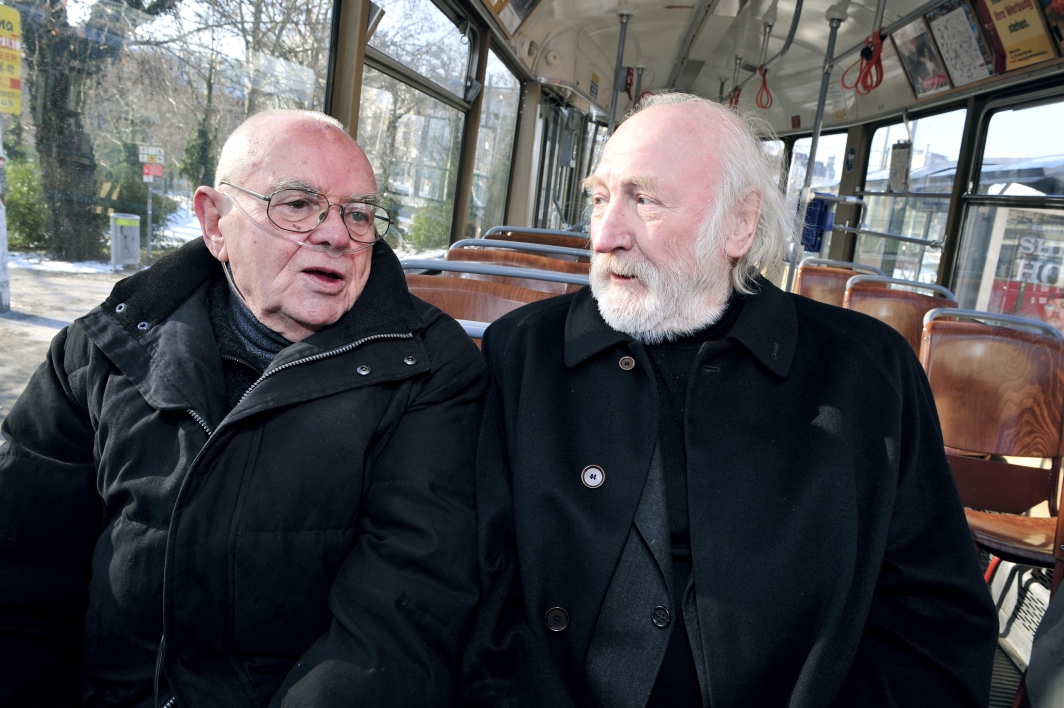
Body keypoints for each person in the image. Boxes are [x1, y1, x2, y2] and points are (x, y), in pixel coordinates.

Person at [460, 93, 998, 707]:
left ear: (739, 224)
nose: (606, 235)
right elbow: (483, 596)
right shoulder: (523, 356)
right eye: (600, 198)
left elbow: (932, 629)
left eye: (645, 200)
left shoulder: (867, 374)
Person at [0, 110, 485, 707]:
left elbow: (397, 620)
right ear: (215, 223)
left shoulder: (430, 368)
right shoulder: (99, 350)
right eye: (298, 205)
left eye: (358, 214)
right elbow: (21, 584)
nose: (337, 235)